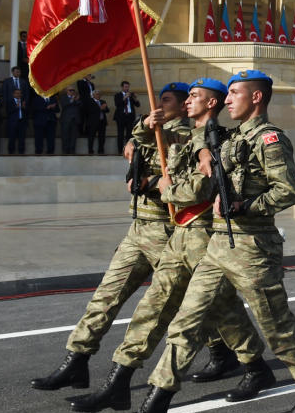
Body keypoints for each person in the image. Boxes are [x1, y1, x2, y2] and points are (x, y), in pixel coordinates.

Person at [98, 70, 295, 413]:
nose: (228, 100)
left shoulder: (270, 139)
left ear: (256, 98)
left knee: (276, 325)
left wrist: (248, 205)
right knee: (185, 325)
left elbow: (288, 191)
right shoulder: (228, 138)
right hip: (217, 245)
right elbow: (196, 152)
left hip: (254, 248)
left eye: (235, 93)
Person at [67, 78, 268, 413]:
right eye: (186, 96)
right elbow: (150, 144)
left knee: (214, 312)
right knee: (153, 307)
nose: (188, 101)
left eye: (194, 96)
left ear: (212, 104)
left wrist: (163, 187)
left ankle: (254, 366)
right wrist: (143, 131)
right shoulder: (189, 138)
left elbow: (200, 187)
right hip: (178, 234)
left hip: (204, 235)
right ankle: (118, 382)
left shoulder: (223, 139)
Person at [29, 83, 188, 394]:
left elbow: (183, 176)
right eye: (156, 99)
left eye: (166, 100)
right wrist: (136, 134)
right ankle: (77, 360)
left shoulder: (186, 135)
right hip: (138, 229)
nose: (157, 104)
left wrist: (151, 179)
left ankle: (238, 356)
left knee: (197, 306)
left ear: (183, 106)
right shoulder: (149, 129)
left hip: (169, 230)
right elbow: (135, 145)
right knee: (105, 296)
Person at [114, 82, 140, 154]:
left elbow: (138, 105)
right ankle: (120, 151)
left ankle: (128, 150)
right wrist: (125, 97)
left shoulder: (131, 95)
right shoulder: (118, 95)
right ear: (122, 87)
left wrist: (135, 98)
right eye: (125, 87)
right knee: (120, 134)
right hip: (121, 117)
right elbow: (117, 104)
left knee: (129, 134)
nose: (127, 88)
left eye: (128, 87)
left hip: (130, 117)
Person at [31, 91, 59, 155]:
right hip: (39, 121)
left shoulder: (53, 98)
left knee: (51, 137)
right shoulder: (36, 98)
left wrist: (54, 107)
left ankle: (50, 151)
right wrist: (47, 107)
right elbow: (34, 109)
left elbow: (58, 109)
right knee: (38, 137)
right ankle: (38, 152)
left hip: (51, 121)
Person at [59, 87, 82, 155]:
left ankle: (72, 150)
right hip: (66, 119)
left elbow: (80, 105)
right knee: (65, 135)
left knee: (73, 136)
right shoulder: (63, 97)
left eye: (73, 90)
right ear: (67, 91)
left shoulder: (76, 97)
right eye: (70, 90)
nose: (72, 91)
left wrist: (76, 99)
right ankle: (65, 150)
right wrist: (72, 99)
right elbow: (64, 105)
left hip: (75, 119)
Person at [6, 87, 28, 154]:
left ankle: (21, 152)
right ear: (13, 94)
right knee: (12, 138)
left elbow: (27, 112)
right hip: (13, 123)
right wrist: (16, 107)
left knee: (22, 138)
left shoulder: (23, 101)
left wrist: (24, 108)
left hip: (22, 122)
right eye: (17, 93)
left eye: (20, 93)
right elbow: (8, 111)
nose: (18, 95)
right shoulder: (10, 101)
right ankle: (11, 152)